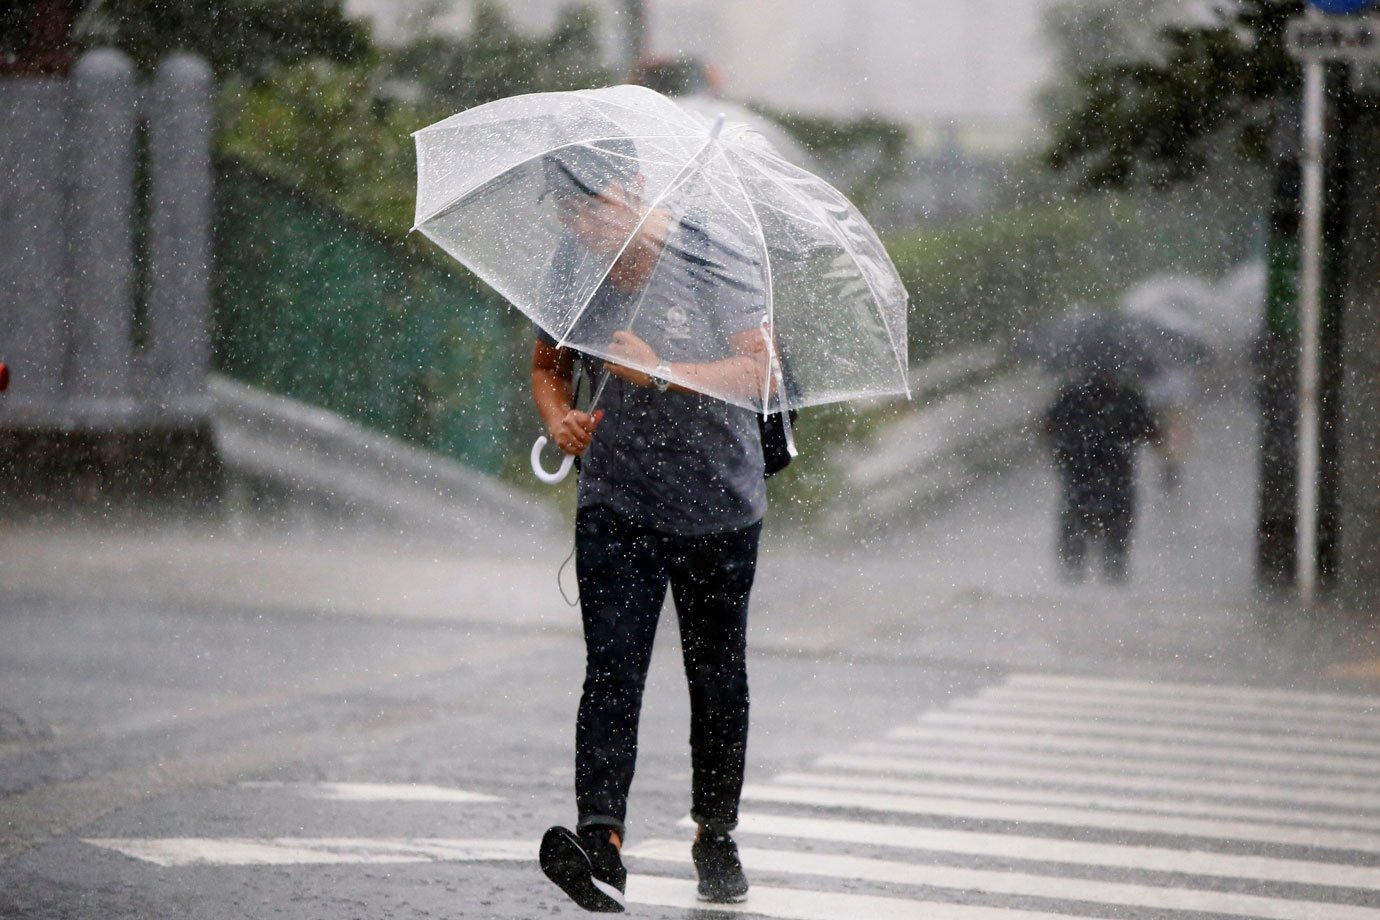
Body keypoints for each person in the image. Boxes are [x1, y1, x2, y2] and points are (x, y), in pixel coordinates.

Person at [531, 142, 771, 912]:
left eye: (595, 204)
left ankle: (717, 833)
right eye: (568, 210)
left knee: (716, 676)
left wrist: (661, 370)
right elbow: (548, 366)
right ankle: (600, 844)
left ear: (635, 186)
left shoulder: (712, 254)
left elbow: (760, 372)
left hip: (717, 506)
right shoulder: (573, 266)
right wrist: (560, 418)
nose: (583, 224)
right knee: (612, 668)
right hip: (618, 500)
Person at [1042, 366, 1158, 584]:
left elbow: (1047, 427)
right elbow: (1152, 433)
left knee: (1075, 524)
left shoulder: (1072, 395)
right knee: (1117, 528)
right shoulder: (1128, 398)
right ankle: (1112, 573)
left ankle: (1074, 577)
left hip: (1079, 473)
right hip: (1116, 475)